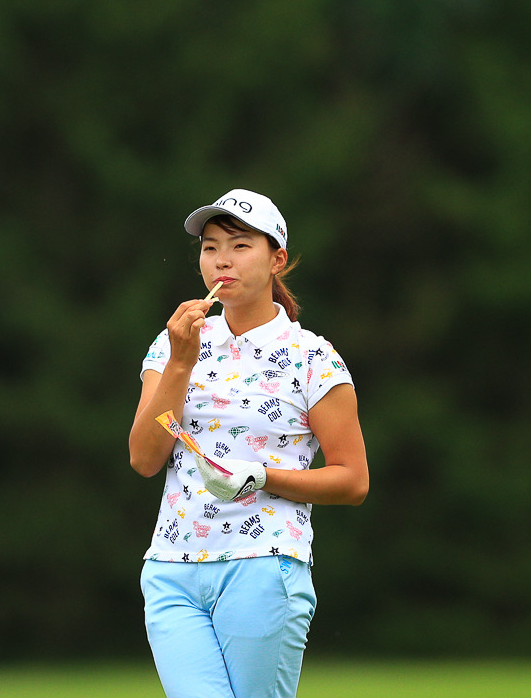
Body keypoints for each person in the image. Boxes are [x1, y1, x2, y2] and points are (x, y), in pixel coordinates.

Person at [129, 188, 369, 698]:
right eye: (210, 247)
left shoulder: (311, 356)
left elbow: (352, 480)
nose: (221, 261)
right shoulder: (174, 344)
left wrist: (262, 477)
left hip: (264, 565)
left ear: (276, 258)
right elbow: (144, 457)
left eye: (239, 246)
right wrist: (179, 362)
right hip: (173, 570)